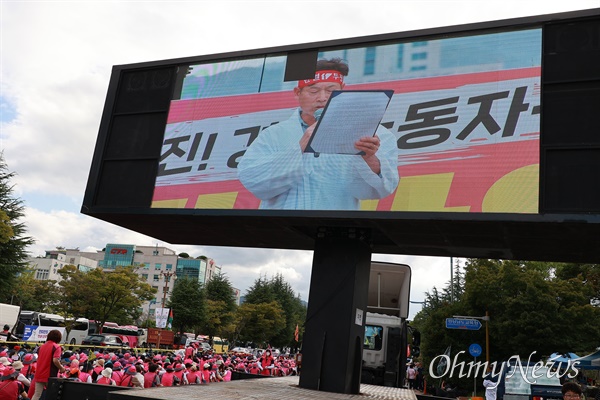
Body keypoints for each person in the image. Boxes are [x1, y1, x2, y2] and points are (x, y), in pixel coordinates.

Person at [238, 58, 399, 210]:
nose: (322, 98)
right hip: (283, 230)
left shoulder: (371, 133)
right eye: (313, 90)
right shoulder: (272, 135)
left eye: (331, 90)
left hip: (335, 229)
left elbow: (382, 190)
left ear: (343, 92)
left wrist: (369, 158)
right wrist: (300, 147)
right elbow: (253, 181)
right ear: (297, 93)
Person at [30, 329, 65, 400]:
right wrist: (61, 368)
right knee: (51, 395)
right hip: (49, 375)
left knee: (37, 394)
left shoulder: (41, 347)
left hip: (39, 373)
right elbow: (55, 360)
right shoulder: (57, 347)